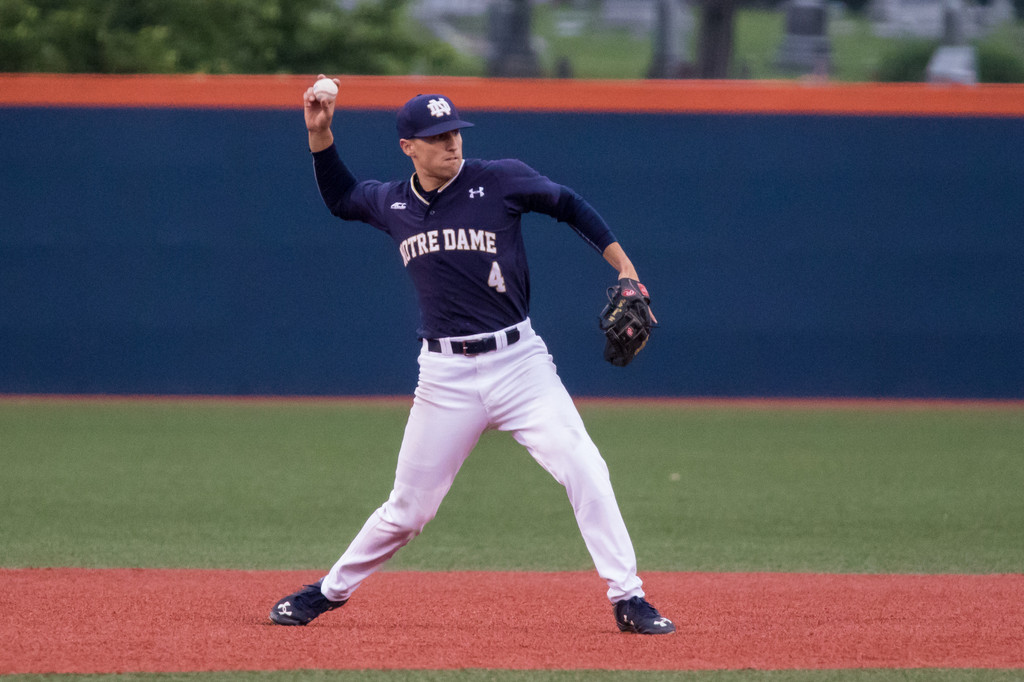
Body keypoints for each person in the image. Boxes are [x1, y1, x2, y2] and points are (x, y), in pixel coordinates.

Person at [268, 77, 674, 635]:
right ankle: (327, 592)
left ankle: (629, 597)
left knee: (585, 467)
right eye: (437, 137)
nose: (452, 143)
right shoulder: (392, 202)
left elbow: (568, 204)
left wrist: (625, 268)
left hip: (520, 364)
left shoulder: (498, 179)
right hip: (444, 376)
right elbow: (341, 198)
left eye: (455, 131)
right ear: (409, 146)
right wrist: (321, 135)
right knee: (408, 511)